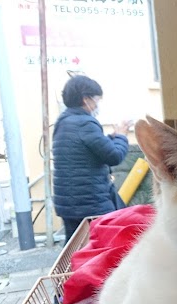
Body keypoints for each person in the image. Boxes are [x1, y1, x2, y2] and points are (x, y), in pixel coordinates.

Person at [52, 75, 131, 243]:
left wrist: (112, 137)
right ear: (85, 99)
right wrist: (122, 136)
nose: (97, 105)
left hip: (69, 204)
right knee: (103, 248)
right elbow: (114, 156)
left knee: (75, 249)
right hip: (90, 203)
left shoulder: (64, 122)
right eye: (96, 100)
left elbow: (88, 149)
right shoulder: (85, 123)